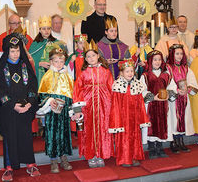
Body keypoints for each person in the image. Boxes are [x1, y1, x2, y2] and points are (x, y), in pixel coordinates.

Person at [0, 33, 40, 182]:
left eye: (18, 50)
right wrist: (14, 105)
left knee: (26, 136)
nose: (15, 54)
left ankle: (30, 163)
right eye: (12, 51)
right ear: (7, 51)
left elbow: (33, 84)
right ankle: (9, 167)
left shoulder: (25, 65)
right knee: (10, 137)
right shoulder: (1, 68)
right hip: (10, 110)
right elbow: (0, 90)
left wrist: (30, 102)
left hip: (25, 107)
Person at [71, 40, 114, 168]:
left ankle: (100, 153)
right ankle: (91, 155)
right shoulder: (83, 73)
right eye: (88, 56)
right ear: (85, 58)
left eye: (93, 55)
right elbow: (77, 90)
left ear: (98, 56)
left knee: (103, 129)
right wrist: (78, 108)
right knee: (89, 130)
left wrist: (113, 105)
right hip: (88, 106)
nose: (91, 58)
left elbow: (111, 87)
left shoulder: (106, 71)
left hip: (104, 105)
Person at [36, 48, 75, 173]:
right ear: (51, 61)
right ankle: (53, 160)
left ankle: (63, 157)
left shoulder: (67, 76)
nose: (59, 64)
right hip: (52, 111)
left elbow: (71, 93)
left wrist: (70, 107)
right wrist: (49, 101)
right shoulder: (48, 76)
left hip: (64, 111)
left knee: (64, 132)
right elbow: (42, 94)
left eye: (61, 61)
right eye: (56, 61)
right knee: (53, 133)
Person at [109, 59, 150, 167]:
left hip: (134, 119)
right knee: (124, 138)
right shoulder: (117, 86)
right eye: (127, 71)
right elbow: (115, 105)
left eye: (131, 71)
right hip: (123, 119)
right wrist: (117, 120)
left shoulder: (137, 85)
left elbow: (141, 103)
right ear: (121, 73)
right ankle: (125, 158)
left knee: (135, 137)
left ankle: (134, 156)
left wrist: (142, 118)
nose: (130, 74)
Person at [166, 44, 198, 153]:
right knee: (174, 118)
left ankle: (181, 140)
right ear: (172, 55)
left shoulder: (186, 68)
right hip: (174, 99)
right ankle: (174, 141)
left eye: (181, 54)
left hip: (184, 98)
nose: (179, 56)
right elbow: (167, 82)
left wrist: (188, 89)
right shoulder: (168, 68)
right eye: (177, 54)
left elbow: (192, 81)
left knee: (183, 119)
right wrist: (176, 90)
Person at [140, 50, 171, 159]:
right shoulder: (145, 75)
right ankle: (151, 147)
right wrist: (153, 97)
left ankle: (160, 146)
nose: (157, 62)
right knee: (151, 124)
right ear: (150, 61)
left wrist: (169, 94)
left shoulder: (166, 75)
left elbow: (172, 87)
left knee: (162, 123)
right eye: (155, 60)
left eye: (159, 60)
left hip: (163, 105)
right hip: (151, 105)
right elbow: (142, 89)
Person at [0, 14, 33, 82]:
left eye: (19, 23)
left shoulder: (27, 38)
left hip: (24, 73)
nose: (17, 25)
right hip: (7, 73)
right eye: (14, 23)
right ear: (9, 24)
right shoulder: (2, 38)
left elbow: (32, 57)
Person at [29, 15, 67, 85]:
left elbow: (64, 58)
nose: (46, 31)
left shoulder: (56, 43)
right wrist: (39, 64)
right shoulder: (35, 44)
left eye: (48, 28)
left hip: (54, 75)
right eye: (44, 29)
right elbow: (29, 61)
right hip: (40, 75)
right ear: (40, 30)